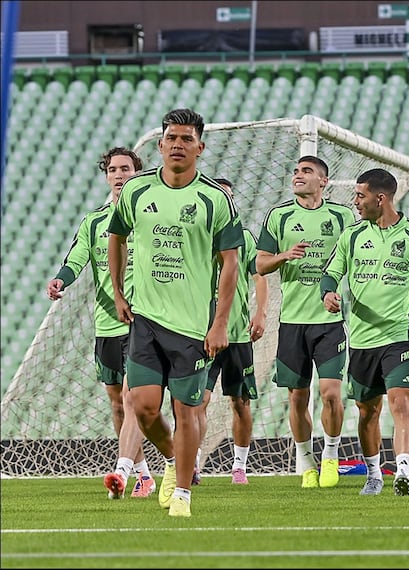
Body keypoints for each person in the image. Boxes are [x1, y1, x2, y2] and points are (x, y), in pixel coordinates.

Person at [107, 108, 244, 517]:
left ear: (200, 147)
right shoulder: (136, 191)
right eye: (171, 138)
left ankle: (182, 494)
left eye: (187, 139)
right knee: (143, 407)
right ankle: (172, 459)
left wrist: (220, 323)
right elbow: (117, 237)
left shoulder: (215, 199)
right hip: (146, 319)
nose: (178, 145)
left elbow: (231, 263)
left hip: (192, 325)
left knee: (187, 411)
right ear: (161, 144)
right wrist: (119, 292)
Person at [47, 146, 155, 499]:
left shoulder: (150, 215)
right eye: (113, 170)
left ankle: (122, 471)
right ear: (106, 176)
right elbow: (77, 257)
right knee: (117, 403)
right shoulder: (94, 222)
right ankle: (143, 474)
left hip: (144, 321)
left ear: (137, 173)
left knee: (132, 397)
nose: (119, 175)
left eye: (126, 168)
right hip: (107, 323)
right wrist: (61, 279)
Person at [320, 167, 409, 497]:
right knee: (367, 410)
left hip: (399, 333)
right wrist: (327, 293)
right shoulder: (352, 236)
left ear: (380, 198)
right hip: (361, 337)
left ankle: (403, 471)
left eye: (360, 196)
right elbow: (331, 273)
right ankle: (373, 475)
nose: (356, 202)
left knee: (401, 402)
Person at [256, 156, 354, 490]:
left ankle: (331, 455)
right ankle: (308, 464)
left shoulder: (342, 217)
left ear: (323, 181)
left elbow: (352, 261)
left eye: (306, 171)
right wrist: (283, 256)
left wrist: (338, 293)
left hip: (329, 321)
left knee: (331, 394)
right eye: (296, 171)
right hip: (292, 322)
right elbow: (260, 264)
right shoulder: (279, 216)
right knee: (297, 398)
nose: (298, 175)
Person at [192, 178, 268, 486]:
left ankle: (239, 466)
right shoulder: (196, 235)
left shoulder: (244, 238)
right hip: (202, 333)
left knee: (240, 402)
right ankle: (193, 463)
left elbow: (259, 275)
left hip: (237, 335)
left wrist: (261, 312)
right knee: (198, 401)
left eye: (230, 197)